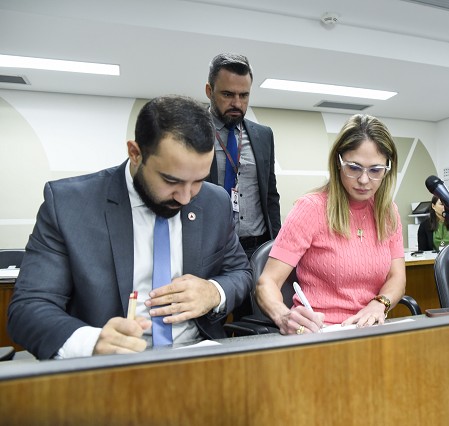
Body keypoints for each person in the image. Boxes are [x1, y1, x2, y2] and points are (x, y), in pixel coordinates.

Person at [8, 96, 252, 360]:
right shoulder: (68, 205)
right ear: (135, 153)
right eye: (171, 181)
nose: (185, 198)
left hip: (200, 359)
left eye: (198, 181)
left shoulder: (215, 202)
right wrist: (92, 342)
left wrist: (213, 292)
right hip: (108, 366)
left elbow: (240, 272)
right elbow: (29, 308)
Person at [255, 114, 406, 335]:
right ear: (338, 162)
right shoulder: (311, 209)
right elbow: (267, 282)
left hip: (371, 332)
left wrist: (379, 303)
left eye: (375, 170)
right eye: (354, 168)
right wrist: (283, 316)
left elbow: (397, 278)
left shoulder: (388, 212)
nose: (364, 180)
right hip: (320, 332)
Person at [204, 53, 281, 259]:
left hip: (257, 246)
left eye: (244, 95)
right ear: (209, 91)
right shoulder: (192, 132)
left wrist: (278, 245)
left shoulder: (263, 135)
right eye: (228, 94)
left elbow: (270, 195)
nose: (237, 103)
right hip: (211, 247)